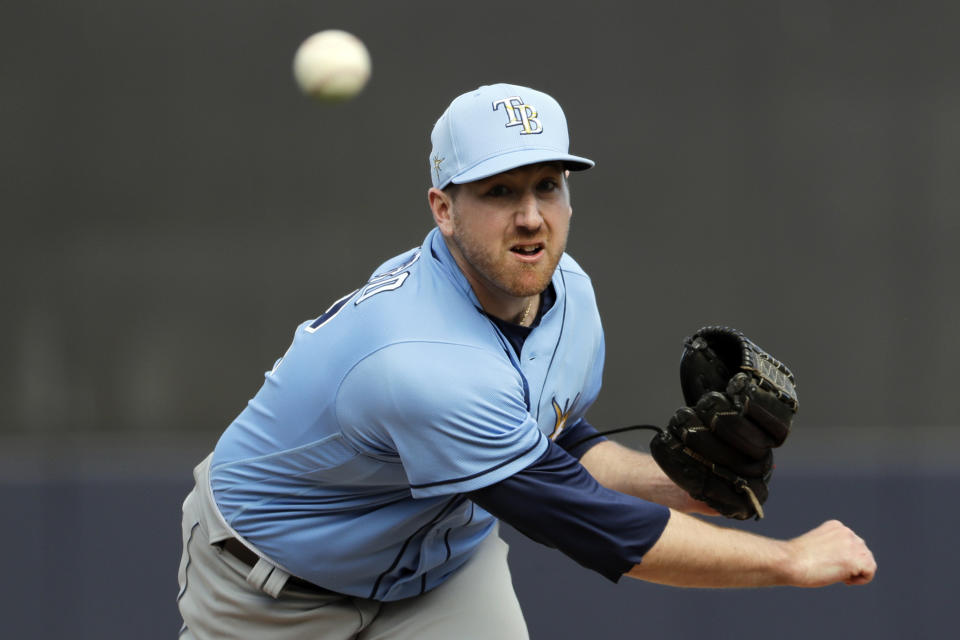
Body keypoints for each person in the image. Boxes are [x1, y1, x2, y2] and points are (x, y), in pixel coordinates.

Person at [176, 83, 876, 639]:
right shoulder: (418, 361)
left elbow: (554, 439)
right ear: (443, 209)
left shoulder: (567, 292)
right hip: (272, 593)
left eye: (548, 185)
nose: (532, 216)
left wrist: (678, 487)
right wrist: (789, 559)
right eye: (500, 191)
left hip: (441, 576)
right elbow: (596, 528)